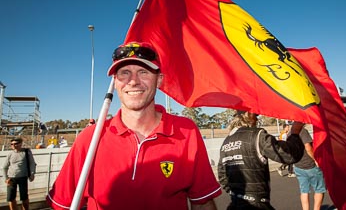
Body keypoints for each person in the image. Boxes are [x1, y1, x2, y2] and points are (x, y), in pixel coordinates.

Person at [46, 41, 222, 210]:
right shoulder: (90, 139)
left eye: (143, 72)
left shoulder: (187, 132)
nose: (133, 81)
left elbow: (202, 202)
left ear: (159, 80)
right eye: (124, 72)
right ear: (115, 82)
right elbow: (63, 204)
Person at [218, 111, 305, 210]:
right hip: (257, 205)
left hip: (235, 204)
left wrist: (238, 194)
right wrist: (294, 133)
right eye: (256, 115)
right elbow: (289, 156)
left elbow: (222, 176)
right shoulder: (258, 135)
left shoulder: (226, 141)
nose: (257, 119)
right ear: (248, 115)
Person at [293, 127, 326, 210]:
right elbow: (308, 147)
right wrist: (316, 159)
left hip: (298, 165)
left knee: (304, 191)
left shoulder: (291, 132)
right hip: (310, 165)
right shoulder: (302, 131)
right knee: (319, 189)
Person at [2, 137, 36, 210]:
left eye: (16, 144)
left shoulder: (26, 152)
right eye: (12, 144)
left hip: (23, 177)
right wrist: (6, 179)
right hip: (11, 178)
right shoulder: (10, 154)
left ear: (21, 144)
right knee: (11, 198)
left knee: (24, 197)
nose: (14, 146)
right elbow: (4, 167)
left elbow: (32, 163)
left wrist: (32, 173)